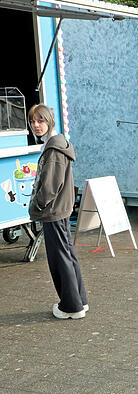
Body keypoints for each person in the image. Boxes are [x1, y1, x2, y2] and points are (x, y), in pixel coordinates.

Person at [27, 104, 88, 319]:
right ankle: (79, 300)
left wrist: (38, 205)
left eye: (41, 120)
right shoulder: (57, 144)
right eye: (33, 121)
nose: (36, 125)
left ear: (50, 121)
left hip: (54, 211)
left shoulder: (53, 149)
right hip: (60, 209)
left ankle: (71, 306)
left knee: (60, 258)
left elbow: (50, 187)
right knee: (67, 254)